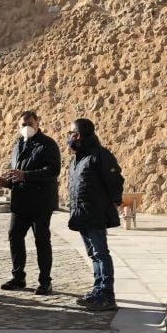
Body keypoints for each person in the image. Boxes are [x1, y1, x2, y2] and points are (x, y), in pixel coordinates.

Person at [0, 111, 61, 295]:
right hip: (21, 202)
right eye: (23, 124)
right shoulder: (18, 145)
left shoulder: (48, 144)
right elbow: (18, 173)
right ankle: (18, 277)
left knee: (42, 240)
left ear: (38, 123)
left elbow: (52, 171)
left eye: (29, 123)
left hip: (41, 202)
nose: (26, 127)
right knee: (14, 236)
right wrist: (8, 182)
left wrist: (26, 176)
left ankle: (45, 281)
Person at [65, 118, 125, 311]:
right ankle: (98, 289)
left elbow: (115, 180)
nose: (68, 137)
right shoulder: (78, 158)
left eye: (71, 133)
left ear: (79, 135)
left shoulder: (99, 155)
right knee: (93, 254)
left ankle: (107, 294)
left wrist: (113, 202)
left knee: (101, 253)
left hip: (95, 212)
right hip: (82, 213)